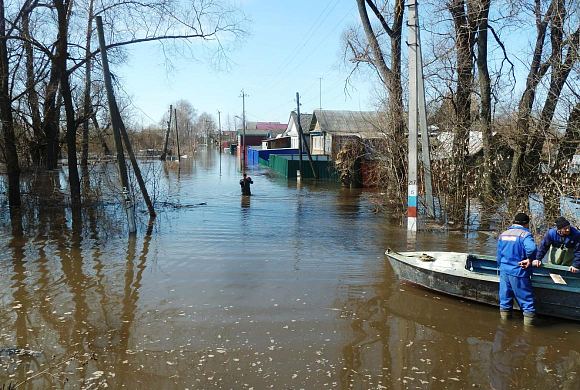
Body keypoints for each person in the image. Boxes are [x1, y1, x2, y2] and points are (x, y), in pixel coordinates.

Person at [497, 213, 540, 325]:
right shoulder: (524, 235)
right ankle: (529, 331)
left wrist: (501, 267)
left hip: (504, 271)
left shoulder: (503, 234)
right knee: (527, 302)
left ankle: (504, 326)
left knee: (505, 300)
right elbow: (531, 249)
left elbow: (499, 255)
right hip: (518, 271)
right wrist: (530, 260)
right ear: (526, 224)